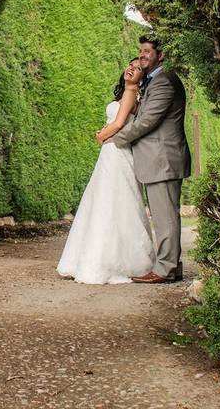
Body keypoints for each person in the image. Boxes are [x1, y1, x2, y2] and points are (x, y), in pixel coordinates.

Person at [56, 58, 155, 284]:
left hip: (116, 153)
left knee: (109, 203)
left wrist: (101, 135)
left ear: (142, 77)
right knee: (109, 202)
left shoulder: (131, 93)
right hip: (112, 154)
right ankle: (99, 258)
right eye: (130, 65)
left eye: (138, 68)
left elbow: (119, 124)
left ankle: (103, 261)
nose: (131, 69)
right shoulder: (128, 95)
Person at [107, 35, 191, 284]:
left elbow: (148, 121)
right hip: (158, 159)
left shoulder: (164, 81)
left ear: (160, 55)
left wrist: (116, 138)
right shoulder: (154, 81)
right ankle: (171, 266)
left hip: (162, 159)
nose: (142, 55)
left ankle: (165, 269)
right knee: (165, 215)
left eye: (147, 51)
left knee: (165, 217)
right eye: (140, 51)